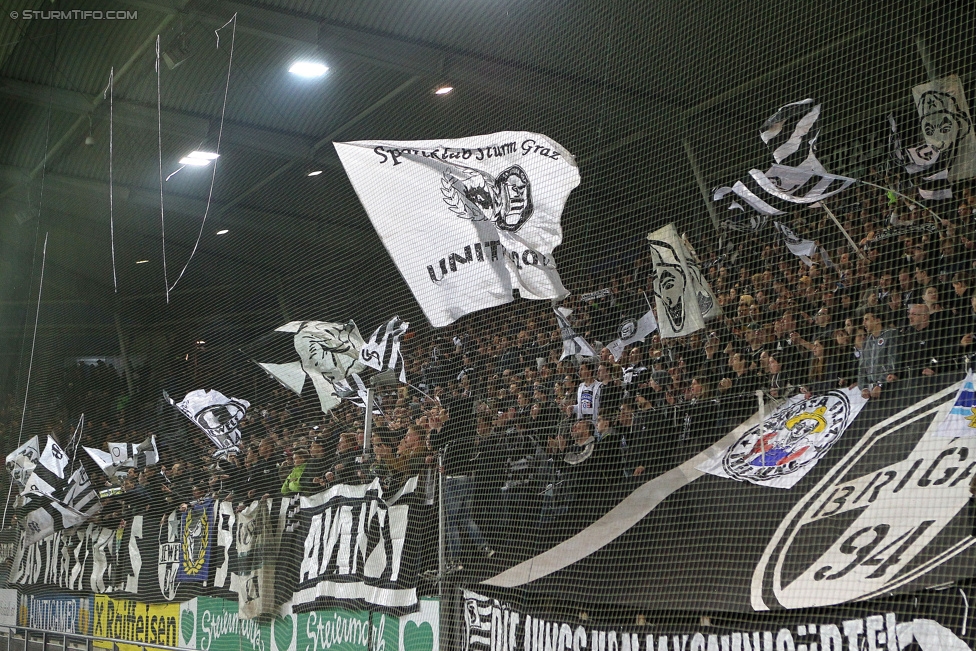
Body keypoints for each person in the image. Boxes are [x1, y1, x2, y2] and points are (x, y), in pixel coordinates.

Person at [428, 398, 494, 570]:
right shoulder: (469, 426)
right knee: (465, 517)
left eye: (448, 411)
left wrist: (435, 429)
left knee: (451, 521)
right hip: (467, 479)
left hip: (453, 480)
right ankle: (484, 547)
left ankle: (455, 561)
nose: (446, 415)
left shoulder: (451, 426)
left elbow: (435, 444)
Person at [858, 310, 899, 400]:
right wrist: (864, 387)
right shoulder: (866, 342)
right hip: (871, 392)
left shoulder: (890, 335)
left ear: (877, 320)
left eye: (866, 319)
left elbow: (892, 361)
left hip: (888, 387)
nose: (863, 323)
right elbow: (862, 368)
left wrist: (880, 383)